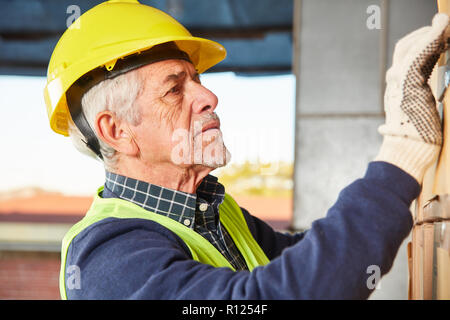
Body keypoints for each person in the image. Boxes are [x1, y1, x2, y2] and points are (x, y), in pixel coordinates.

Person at [44, 0, 449, 299]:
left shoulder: (214, 213)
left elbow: (312, 262)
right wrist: (401, 154)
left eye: (197, 79)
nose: (208, 96)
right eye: (174, 88)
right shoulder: (109, 258)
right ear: (116, 130)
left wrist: (424, 207)